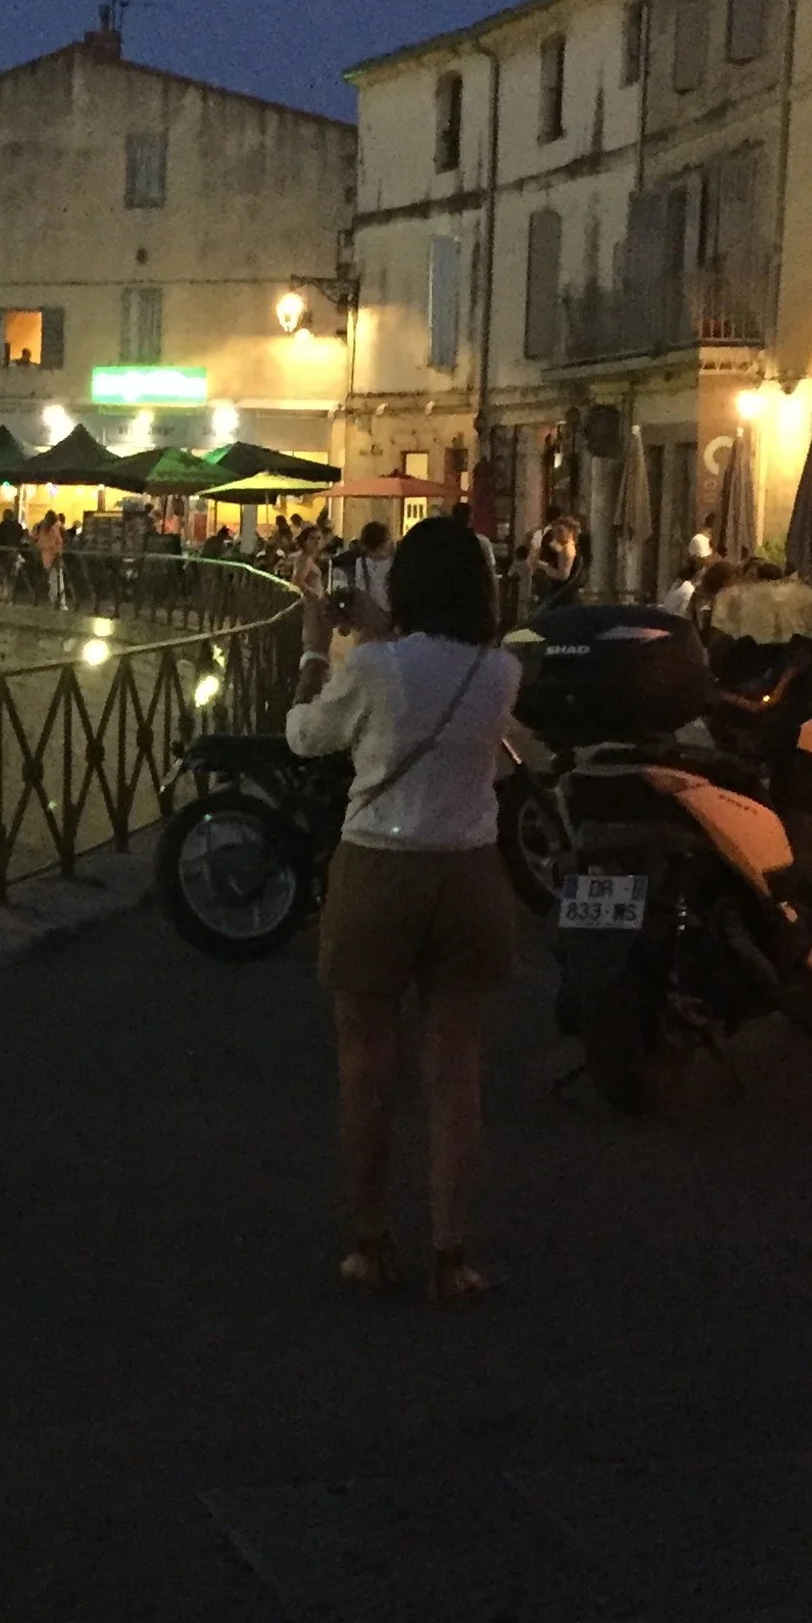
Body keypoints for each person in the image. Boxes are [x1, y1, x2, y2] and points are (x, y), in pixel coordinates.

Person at [285, 514, 520, 1306]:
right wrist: (387, 634)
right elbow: (439, 667)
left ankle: (371, 1243)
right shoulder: (499, 672)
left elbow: (307, 737)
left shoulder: (376, 668)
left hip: (380, 866)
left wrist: (317, 646)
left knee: (367, 1064)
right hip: (468, 872)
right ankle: (452, 1254)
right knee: (456, 1070)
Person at [524, 513, 584, 613]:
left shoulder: (567, 550)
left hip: (562, 596)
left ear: (571, 532)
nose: (557, 535)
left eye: (561, 532)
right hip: (561, 594)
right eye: (555, 532)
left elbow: (562, 575)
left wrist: (542, 565)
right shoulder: (564, 547)